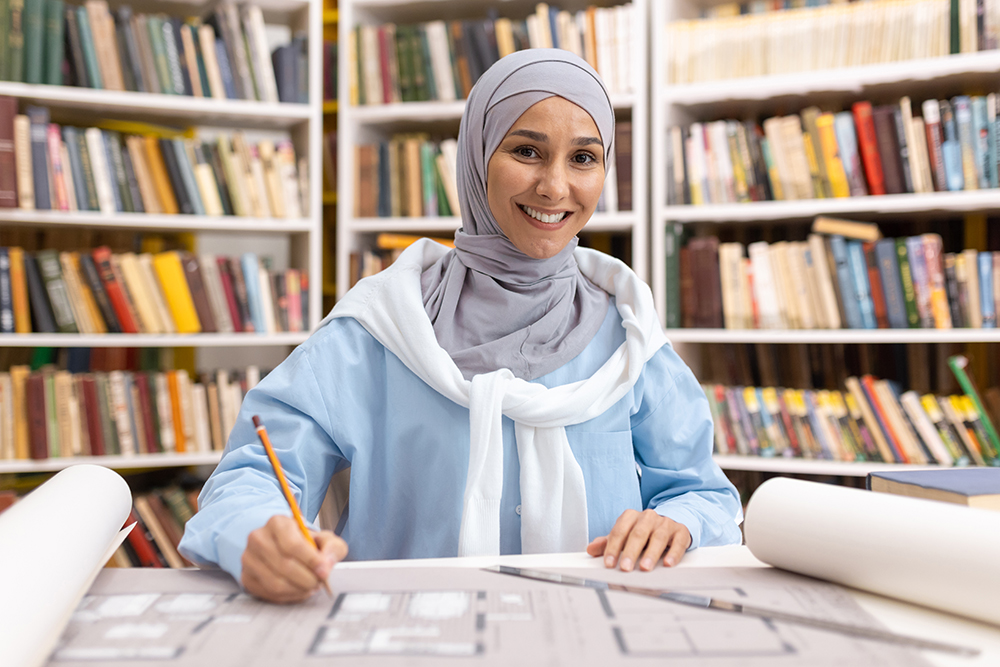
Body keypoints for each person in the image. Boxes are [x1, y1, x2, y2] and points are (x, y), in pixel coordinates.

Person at [179, 49, 743, 604]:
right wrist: (257, 535)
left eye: (583, 158)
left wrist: (678, 523)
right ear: (476, 155)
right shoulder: (379, 328)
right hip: (404, 634)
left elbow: (701, 493)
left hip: (592, 632)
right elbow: (252, 478)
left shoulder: (628, 336)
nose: (554, 187)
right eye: (527, 151)